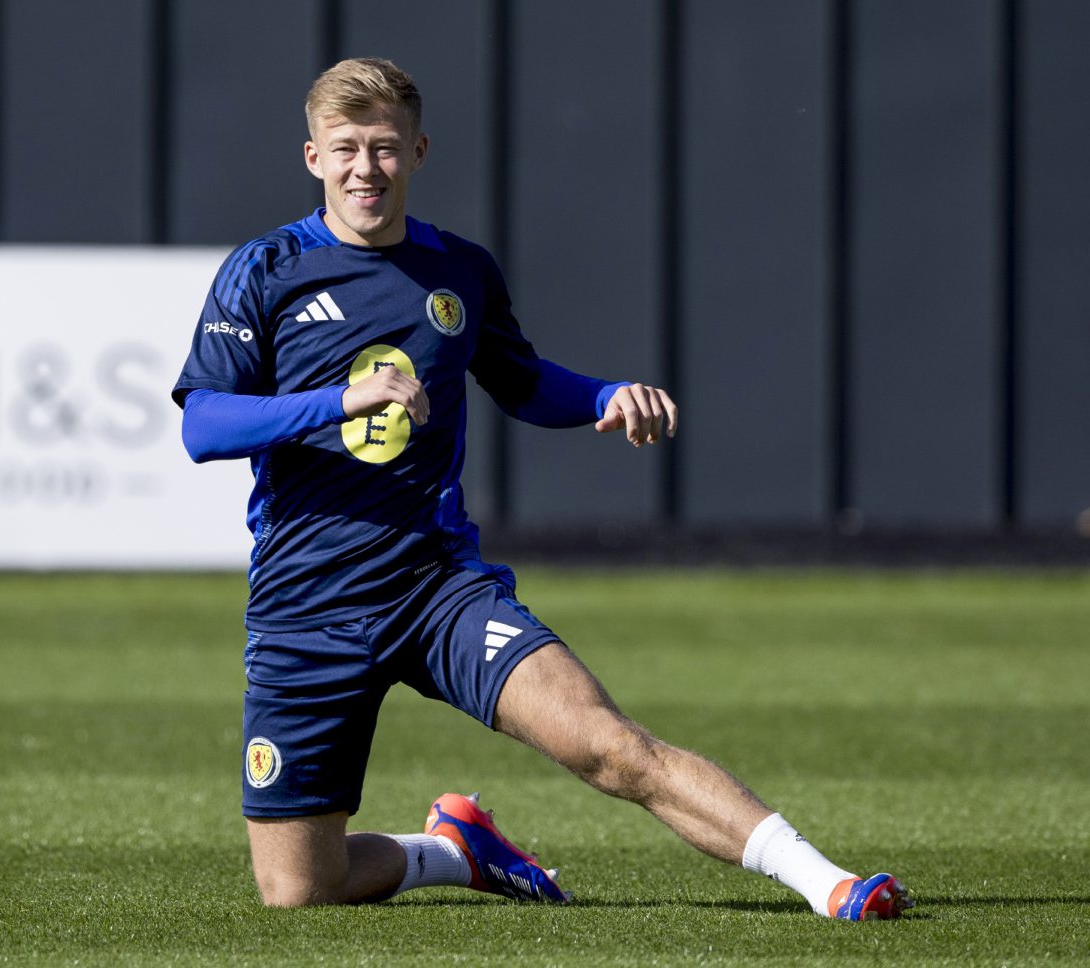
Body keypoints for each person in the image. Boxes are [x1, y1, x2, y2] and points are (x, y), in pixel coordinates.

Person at [172, 57, 910, 920]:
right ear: (312, 158)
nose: (364, 168)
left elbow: (520, 382)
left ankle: (830, 884)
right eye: (345, 149)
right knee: (298, 889)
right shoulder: (263, 271)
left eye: (383, 148)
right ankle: (452, 851)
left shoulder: (461, 272)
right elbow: (204, 427)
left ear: (417, 150)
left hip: (432, 587)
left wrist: (602, 397)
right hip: (305, 608)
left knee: (609, 747)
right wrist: (340, 400)